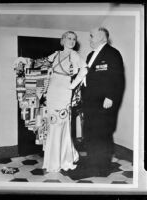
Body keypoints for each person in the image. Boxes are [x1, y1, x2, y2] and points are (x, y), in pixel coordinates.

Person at [69, 27, 125, 177]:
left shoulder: (112, 54)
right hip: (90, 103)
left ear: (102, 38)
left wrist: (111, 96)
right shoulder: (90, 55)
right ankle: (93, 162)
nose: (90, 39)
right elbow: (87, 77)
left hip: (103, 102)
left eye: (92, 36)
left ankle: (103, 168)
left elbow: (117, 78)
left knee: (102, 134)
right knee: (91, 133)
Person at [42, 31, 87, 173]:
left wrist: (72, 86)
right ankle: (53, 159)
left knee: (61, 125)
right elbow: (41, 63)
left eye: (74, 39)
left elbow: (84, 70)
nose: (72, 41)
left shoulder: (74, 55)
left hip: (64, 93)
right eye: (69, 38)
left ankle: (63, 159)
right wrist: (23, 60)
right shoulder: (55, 54)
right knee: (52, 124)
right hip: (52, 93)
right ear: (62, 40)